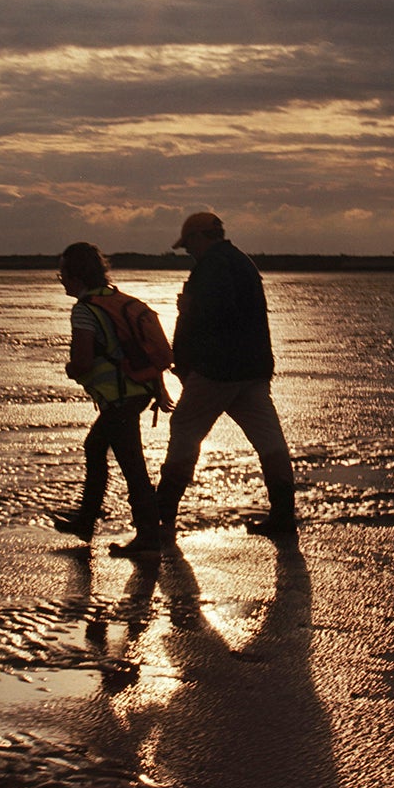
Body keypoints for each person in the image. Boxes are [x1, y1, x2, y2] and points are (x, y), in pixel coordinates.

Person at [115, 211, 296, 552]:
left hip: (217, 372)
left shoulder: (212, 268)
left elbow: (211, 319)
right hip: (252, 370)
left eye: (188, 247)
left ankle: (160, 523)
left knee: (184, 434)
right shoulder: (242, 263)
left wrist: (188, 321)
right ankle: (284, 516)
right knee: (270, 441)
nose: (188, 253)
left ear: (200, 237)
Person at [50, 242, 166, 543]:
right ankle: (87, 522)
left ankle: (148, 535)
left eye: (62, 273)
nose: (60, 279)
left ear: (75, 276)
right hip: (138, 392)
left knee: (132, 465)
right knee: (98, 448)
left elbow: (84, 361)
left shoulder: (85, 311)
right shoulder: (117, 300)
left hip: (119, 397)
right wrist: (158, 386)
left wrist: (71, 369)